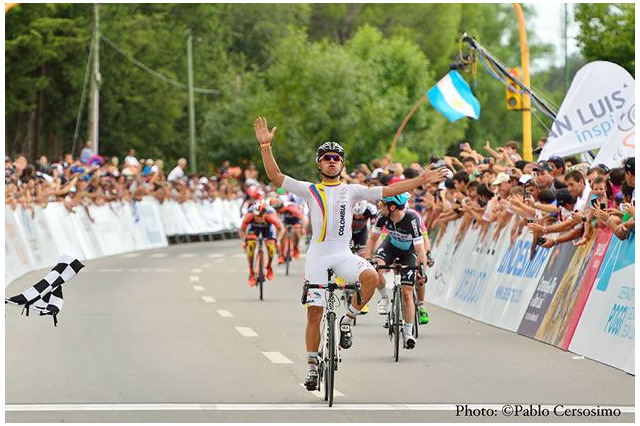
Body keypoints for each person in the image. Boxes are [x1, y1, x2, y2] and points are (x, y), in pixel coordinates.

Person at [253, 116, 447, 391]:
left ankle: (349, 318)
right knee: (314, 314)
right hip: (318, 256)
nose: (332, 161)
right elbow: (275, 177)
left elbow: (391, 189)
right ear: (319, 163)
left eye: (337, 158)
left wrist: (421, 180)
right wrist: (265, 147)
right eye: (326, 157)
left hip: (343, 254)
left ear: (342, 164)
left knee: (371, 275)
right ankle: (311, 366)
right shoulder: (309, 190)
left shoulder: (352, 191)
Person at [363, 192, 428, 349]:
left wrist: (422, 270)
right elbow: (372, 240)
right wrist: (366, 261)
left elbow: (420, 250)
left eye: (382, 204)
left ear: (392, 207)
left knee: (407, 293)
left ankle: (408, 333)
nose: (380, 207)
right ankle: (384, 297)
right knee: (375, 268)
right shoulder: (382, 216)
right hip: (390, 247)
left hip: (409, 252)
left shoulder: (412, 219)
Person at [238, 200, 285, 286]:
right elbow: (242, 229)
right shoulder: (249, 216)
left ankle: (269, 266)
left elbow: (281, 228)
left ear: (265, 213)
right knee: (250, 246)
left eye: (260, 216)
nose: (258, 219)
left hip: (268, 228)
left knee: (271, 247)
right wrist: (244, 241)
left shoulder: (270, 215)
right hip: (253, 228)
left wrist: (278, 240)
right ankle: (251, 273)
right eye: (256, 216)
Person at [268, 196, 304, 262]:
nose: (278, 211)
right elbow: (276, 221)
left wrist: (302, 228)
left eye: (278, 210)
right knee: (283, 233)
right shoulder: (277, 210)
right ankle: (282, 255)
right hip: (285, 220)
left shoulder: (291, 208)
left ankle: (296, 248)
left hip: (296, 220)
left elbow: (302, 218)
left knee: (296, 232)